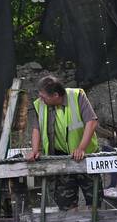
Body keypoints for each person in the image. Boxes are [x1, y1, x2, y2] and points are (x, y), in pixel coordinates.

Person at [26, 75, 100, 210]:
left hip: (86, 157)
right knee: (66, 204)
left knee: (94, 201)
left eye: (44, 97)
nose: (40, 99)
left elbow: (92, 122)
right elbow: (36, 128)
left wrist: (81, 148)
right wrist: (35, 150)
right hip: (61, 160)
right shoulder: (40, 105)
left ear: (55, 95)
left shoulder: (77, 96)